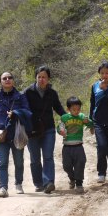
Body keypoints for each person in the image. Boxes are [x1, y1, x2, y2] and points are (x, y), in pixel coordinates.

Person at [0, 71, 31, 198]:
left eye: (9, 77)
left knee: (19, 161)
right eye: (4, 78)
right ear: (0, 81)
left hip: (17, 133)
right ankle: (3, 188)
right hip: (0, 135)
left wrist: (16, 113)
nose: (7, 80)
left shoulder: (20, 96)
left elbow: (27, 112)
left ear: (13, 80)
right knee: (2, 162)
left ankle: (18, 184)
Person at [23, 65, 66, 194]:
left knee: (48, 156)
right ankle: (38, 183)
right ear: (36, 78)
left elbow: (58, 108)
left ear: (48, 79)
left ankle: (48, 182)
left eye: (44, 77)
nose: (41, 79)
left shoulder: (52, 93)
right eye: (39, 77)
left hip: (48, 128)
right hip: (32, 130)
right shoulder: (27, 92)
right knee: (35, 159)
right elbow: (22, 108)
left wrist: (67, 117)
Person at [57, 96, 94, 193]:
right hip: (67, 147)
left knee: (80, 163)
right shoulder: (64, 118)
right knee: (66, 166)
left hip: (78, 146)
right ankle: (72, 178)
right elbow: (59, 127)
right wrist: (61, 131)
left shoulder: (81, 116)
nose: (76, 111)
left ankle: (79, 183)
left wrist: (88, 122)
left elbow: (90, 124)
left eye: (78, 109)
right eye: (74, 109)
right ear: (68, 109)